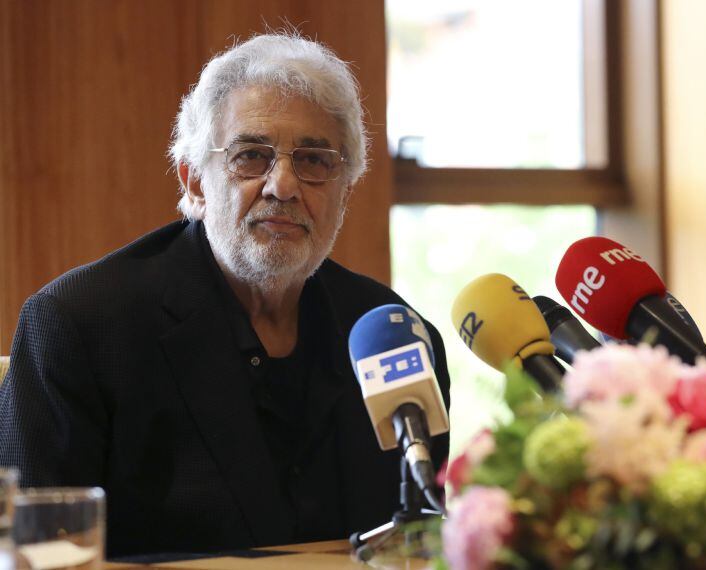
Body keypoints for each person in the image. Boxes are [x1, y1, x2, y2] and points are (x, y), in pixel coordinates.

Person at [0, 33, 450, 557]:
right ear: (193, 181)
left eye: (314, 160)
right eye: (251, 155)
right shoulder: (78, 325)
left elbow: (425, 544)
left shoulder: (393, 335)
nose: (283, 185)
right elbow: (34, 555)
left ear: (345, 190)